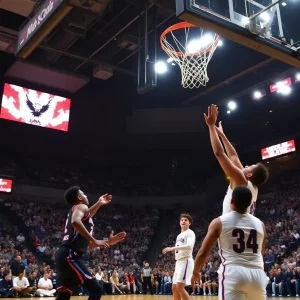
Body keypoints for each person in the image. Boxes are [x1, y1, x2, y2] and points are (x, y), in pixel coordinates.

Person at [191, 186, 268, 300]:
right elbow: (261, 252)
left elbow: (203, 252)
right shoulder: (261, 224)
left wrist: (195, 272)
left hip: (234, 272)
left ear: (231, 201)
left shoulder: (219, 222)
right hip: (258, 274)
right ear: (250, 203)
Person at [55, 186, 126, 300]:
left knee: (64, 294)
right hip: (70, 255)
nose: (86, 196)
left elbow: (86, 242)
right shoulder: (80, 206)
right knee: (96, 289)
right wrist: (94, 239)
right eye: (83, 194)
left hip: (63, 254)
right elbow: (75, 221)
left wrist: (108, 242)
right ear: (79, 197)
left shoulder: (81, 212)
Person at [204, 104, 269, 215]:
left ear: (249, 175)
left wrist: (211, 126)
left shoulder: (241, 180)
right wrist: (222, 135)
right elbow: (233, 156)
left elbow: (219, 153)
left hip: (232, 229)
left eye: (250, 167)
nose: (247, 165)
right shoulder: (250, 186)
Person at [163, 213, 196, 300]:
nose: (183, 221)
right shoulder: (179, 235)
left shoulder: (190, 233)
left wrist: (172, 248)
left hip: (186, 261)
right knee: (174, 288)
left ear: (189, 223)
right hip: (179, 262)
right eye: (182, 220)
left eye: (186, 220)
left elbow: (189, 246)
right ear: (179, 222)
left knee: (180, 287)